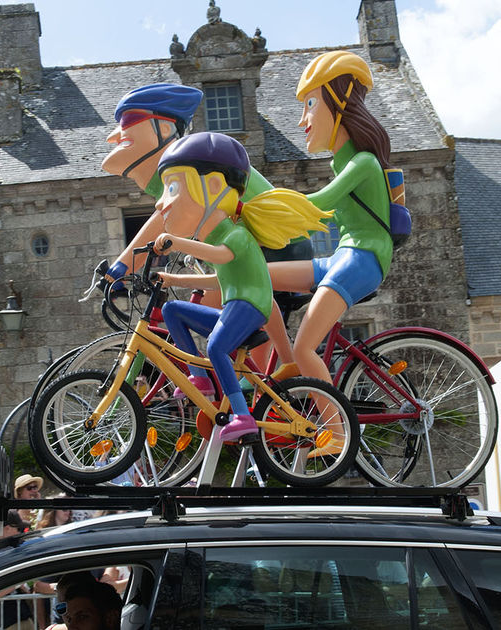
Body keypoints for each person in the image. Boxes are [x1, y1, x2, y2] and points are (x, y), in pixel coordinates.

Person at [99, 83, 309, 365]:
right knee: (221, 325)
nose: (115, 137)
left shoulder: (185, 160)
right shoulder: (177, 163)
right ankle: (252, 390)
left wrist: (122, 268)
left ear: (163, 130)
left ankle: (256, 392)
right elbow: (168, 218)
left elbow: (163, 221)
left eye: (127, 123)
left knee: (222, 329)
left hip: (276, 246)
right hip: (256, 249)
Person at [153, 131, 329, 441]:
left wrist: (177, 242)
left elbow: (220, 257)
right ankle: (200, 378)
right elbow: (218, 278)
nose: (160, 202)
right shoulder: (218, 237)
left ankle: (242, 416)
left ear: (214, 188)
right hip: (235, 305)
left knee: (217, 346)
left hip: (251, 306)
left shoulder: (235, 234)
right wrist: (174, 280)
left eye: (172, 187)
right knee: (172, 310)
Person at [265, 51, 399, 389]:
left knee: (306, 347)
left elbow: (320, 204)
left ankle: (335, 436)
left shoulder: (363, 162)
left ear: (339, 104)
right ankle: (283, 371)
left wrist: (256, 211)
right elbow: (315, 216)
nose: (301, 120)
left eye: (310, 105)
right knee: (258, 276)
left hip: (363, 259)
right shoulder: (341, 163)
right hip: (342, 256)